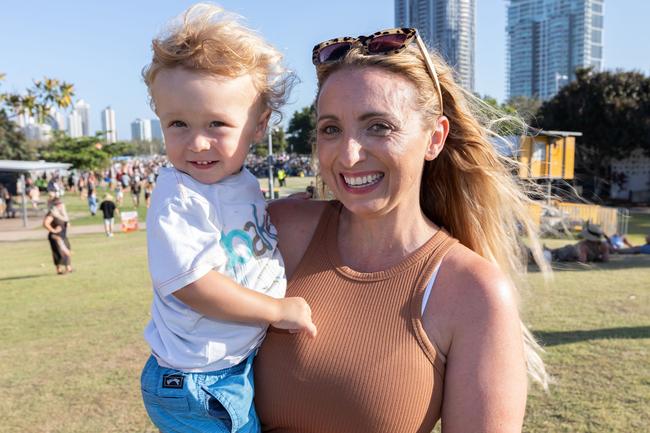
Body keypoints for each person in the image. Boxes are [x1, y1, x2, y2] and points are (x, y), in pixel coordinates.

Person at [254, 27, 548, 433]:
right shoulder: (280, 231)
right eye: (331, 129)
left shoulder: (473, 292)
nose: (350, 154)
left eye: (378, 126)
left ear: (435, 138)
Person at [138, 5, 316, 433]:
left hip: (221, 372)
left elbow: (240, 226)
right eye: (177, 123)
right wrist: (276, 310)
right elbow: (193, 284)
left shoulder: (238, 182)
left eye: (217, 123)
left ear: (260, 124)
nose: (197, 142)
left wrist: (288, 204)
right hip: (198, 382)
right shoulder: (179, 196)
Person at [43, 198, 72, 274]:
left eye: (60, 204)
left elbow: (66, 223)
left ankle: (68, 268)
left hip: (63, 235)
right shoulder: (52, 213)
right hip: (55, 236)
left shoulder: (62, 213)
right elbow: (45, 223)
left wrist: (67, 224)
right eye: (57, 204)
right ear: (54, 205)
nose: (59, 205)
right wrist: (53, 230)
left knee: (67, 249)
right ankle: (59, 269)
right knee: (59, 252)